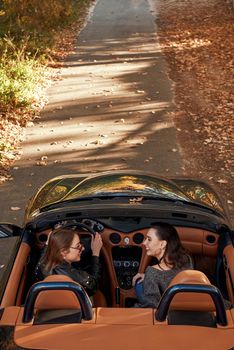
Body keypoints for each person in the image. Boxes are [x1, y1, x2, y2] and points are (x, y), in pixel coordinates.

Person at [132, 223, 193, 308]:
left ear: (162, 244)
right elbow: (173, 276)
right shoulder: (187, 259)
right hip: (187, 309)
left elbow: (151, 307)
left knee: (138, 285)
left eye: (149, 239)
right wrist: (147, 277)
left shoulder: (152, 272)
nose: (144, 242)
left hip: (166, 317)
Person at [35, 227, 103, 297]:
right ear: (64, 252)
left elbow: (43, 259)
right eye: (78, 246)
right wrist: (96, 253)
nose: (83, 248)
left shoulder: (42, 267)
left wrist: (49, 244)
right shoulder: (77, 277)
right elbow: (94, 286)